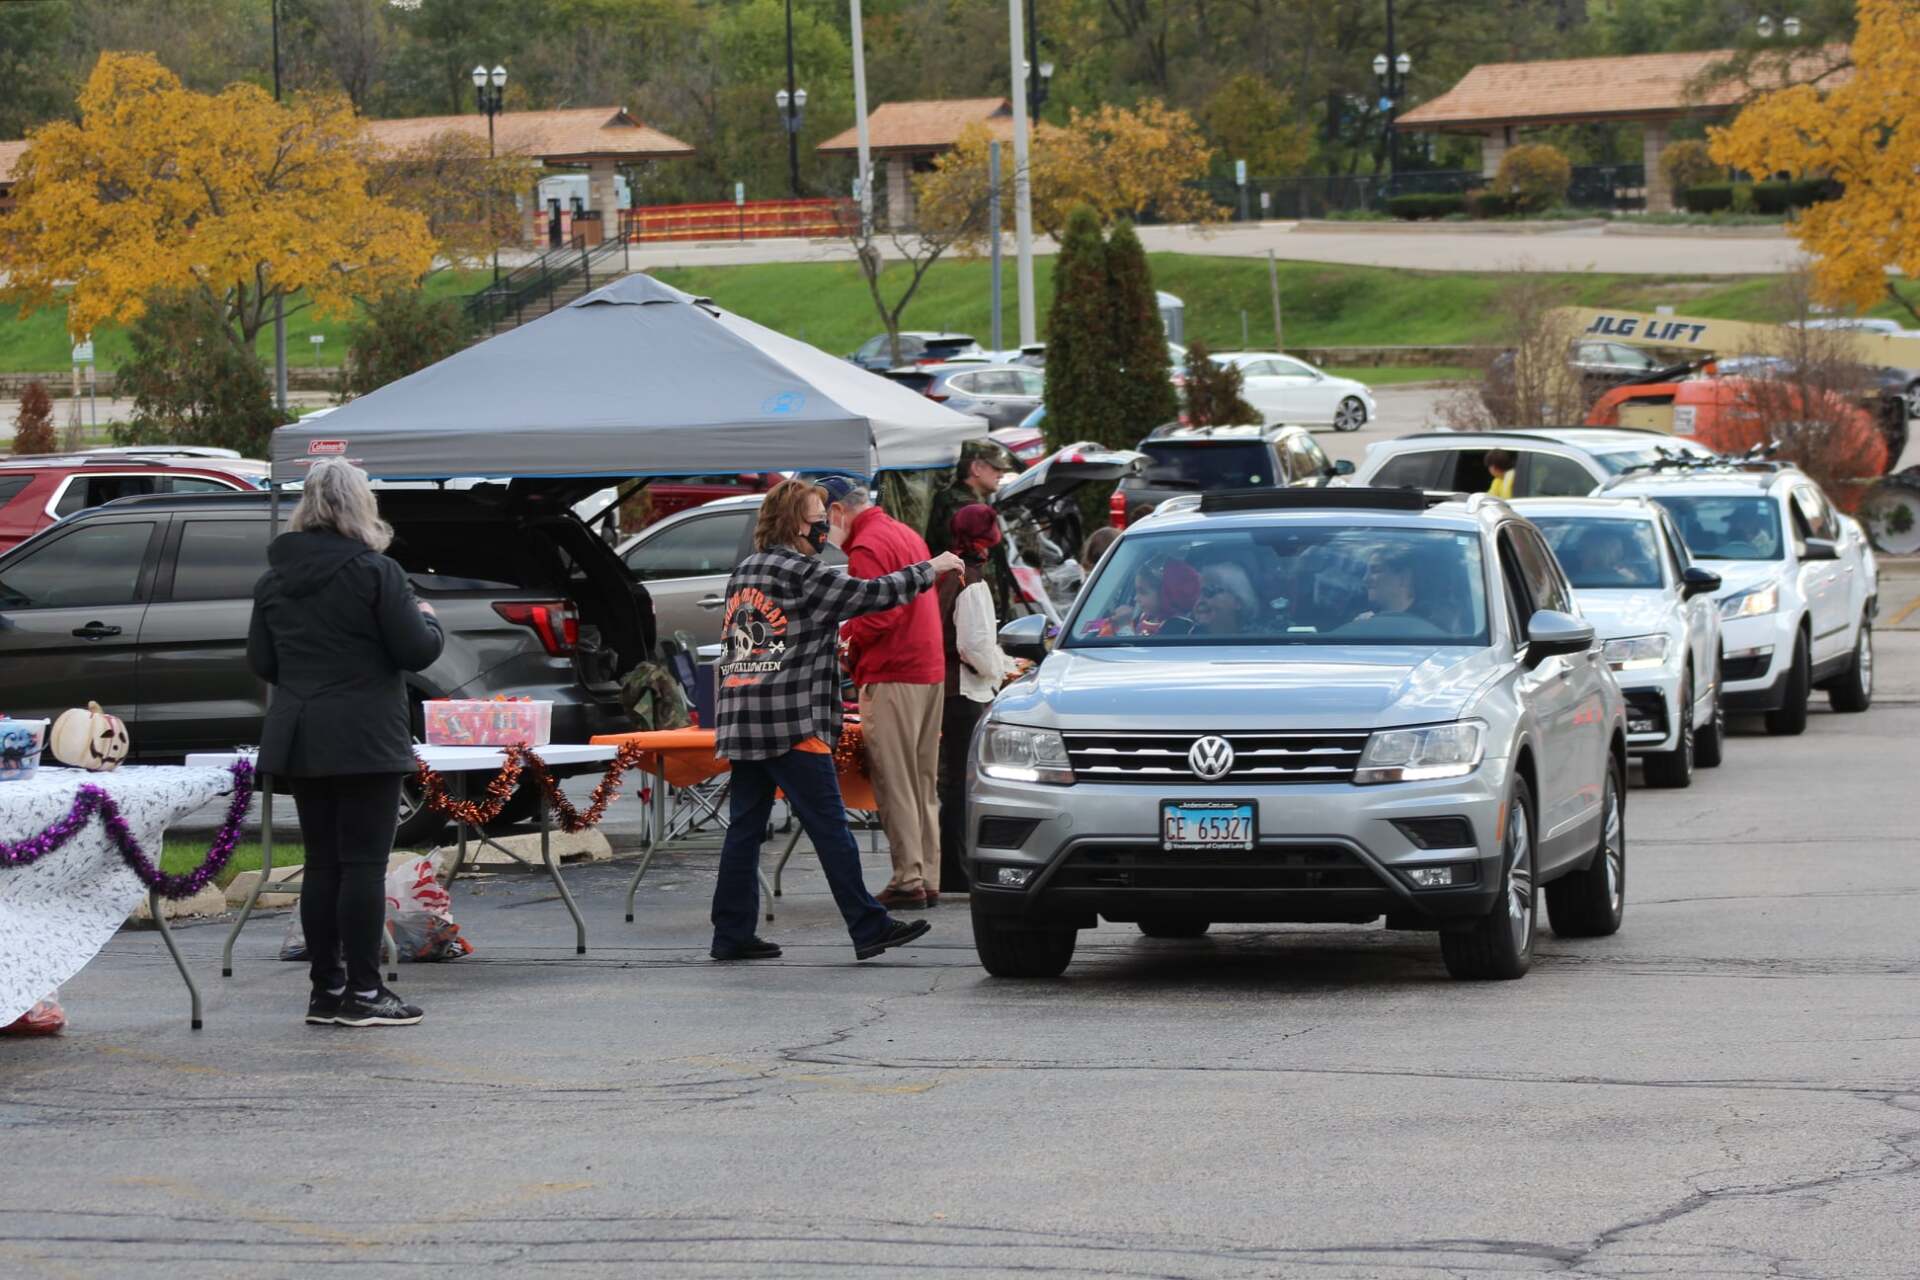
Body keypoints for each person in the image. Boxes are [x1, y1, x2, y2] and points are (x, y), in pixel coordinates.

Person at [710, 479, 964, 962]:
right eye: (815, 517)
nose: (824, 526)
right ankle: (868, 927)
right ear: (793, 522)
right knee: (830, 827)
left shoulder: (746, 569)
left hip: (743, 717)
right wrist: (929, 569)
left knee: (745, 829)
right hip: (791, 720)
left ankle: (731, 933)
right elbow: (871, 594)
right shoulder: (800, 571)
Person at [247, 458, 444, 1029]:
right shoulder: (375, 572)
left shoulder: (273, 579)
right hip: (363, 736)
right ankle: (365, 990)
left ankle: (326, 990)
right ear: (361, 506)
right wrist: (428, 619)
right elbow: (415, 651)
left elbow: (263, 662)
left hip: (302, 734)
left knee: (322, 864)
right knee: (363, 865)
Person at [823, 475, 945, 911]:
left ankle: (908, 879)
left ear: (838, 511)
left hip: (894, 673)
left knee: (895, 780)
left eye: (824, 518)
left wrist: (844, 644)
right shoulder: (903, 532)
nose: (823, 529)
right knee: (921, 780)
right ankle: (927, 874)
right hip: (927, 670)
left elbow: (875, 615)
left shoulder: (868, 545)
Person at [935, 503, 1017, 894]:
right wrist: (1001, 670)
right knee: (961, 783)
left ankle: (951, 865)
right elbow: (973, 645)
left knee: (952, 780)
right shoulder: (972, 580)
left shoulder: (948, 572)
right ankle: (956, 868)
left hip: (948, 687)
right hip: (965, 691)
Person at [926, 440, 1020, 616]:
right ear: (976, 468)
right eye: (996, 468)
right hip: (969, 601)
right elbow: (977, 561)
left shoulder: (969, 502)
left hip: (973, 597)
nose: (1000, 474)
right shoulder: (962, 507)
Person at [1190, 562, 1260, 636]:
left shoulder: (1261, 640)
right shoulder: (1181, 636)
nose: (1200, 599)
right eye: (1195, 592)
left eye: (1210, 590)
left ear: (1238, 601)